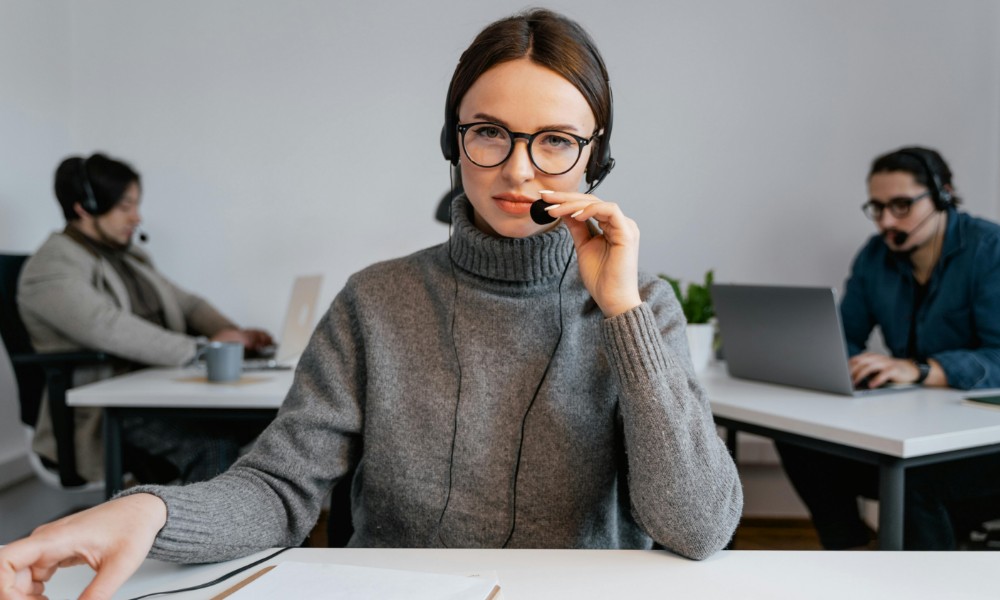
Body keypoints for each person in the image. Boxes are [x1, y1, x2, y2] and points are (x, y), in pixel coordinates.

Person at [0, 10, 742, 599]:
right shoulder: (377, 300)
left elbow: (699, 526)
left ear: (595, 156)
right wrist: (150, 511)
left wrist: (621, 314)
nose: (518, 170)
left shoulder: (641, 305)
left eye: (554, 141)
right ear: (452, 142)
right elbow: (279, 489)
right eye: (489, 133)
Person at [776, 146, 1000, 549]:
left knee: (914, 477)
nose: (886, 221)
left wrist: (921, 369)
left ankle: (925, 580)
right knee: (800, 442)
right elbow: (844, 335)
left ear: (943, 196)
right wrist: (840, 363)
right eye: (877, 208)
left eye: (901, 206)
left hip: (979, 443)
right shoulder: (875, 255)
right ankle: (850, 555)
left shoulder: (990, 250)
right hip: (912, 427)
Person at [17, 152, 274, 485]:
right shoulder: (50, 266)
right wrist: (204, 350)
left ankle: (245, 517)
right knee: (212, 446)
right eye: (125, 207)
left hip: (159, 391)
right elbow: (107, 326)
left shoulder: (131, 257)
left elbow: (188, 304)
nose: (136, 217)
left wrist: (234, 336)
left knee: (270, 418)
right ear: (84, 207)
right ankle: (202, 522)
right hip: (109, 412)